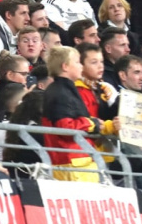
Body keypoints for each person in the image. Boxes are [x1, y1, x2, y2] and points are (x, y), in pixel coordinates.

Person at [43, 45, 118, 181]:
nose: (81, 67)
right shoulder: (60, 92)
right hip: (72, 163)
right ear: (65, 66)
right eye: (77, 62)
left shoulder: (64, 90)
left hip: (78, 161)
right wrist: (92, 123)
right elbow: (65, 127)